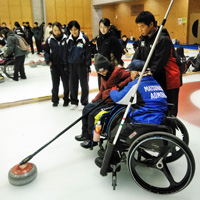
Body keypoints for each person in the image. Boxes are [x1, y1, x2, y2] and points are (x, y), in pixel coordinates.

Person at [95, 61, 168, 168]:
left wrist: (113, 90)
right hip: (158, 117)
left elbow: (119, 98)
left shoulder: (137, 84)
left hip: (146, 120)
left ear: (136, 72)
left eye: (131, 72)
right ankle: (109, 152)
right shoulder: (154, 82)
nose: (130, 74)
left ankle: (113, 158)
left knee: (120, 132)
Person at [75, 53, 132, 149]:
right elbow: (101, 90)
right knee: (86, 109)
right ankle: (85, 134)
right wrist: (94, 100)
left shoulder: (118, 71)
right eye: (99, 72)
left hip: (113, 102)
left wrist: (119, 86)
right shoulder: (103, 76)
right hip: (104, 99)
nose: (102, 73)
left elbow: (131, 75)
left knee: (93, 114)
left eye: (102, 71)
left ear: (107, 66)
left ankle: (91, 139)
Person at [132, 11, 181, 117]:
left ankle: (169, 132)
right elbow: (137, 56)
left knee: (168, 112)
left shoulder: (162, 39)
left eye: (142, 26)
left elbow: (158, 63)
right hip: (155, 79)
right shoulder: (143, 39)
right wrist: (132, 68)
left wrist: (148, 72)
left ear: (151, 24)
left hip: (168, 80)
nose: (140, 30)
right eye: (138, 27)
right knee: (157, 110)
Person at [66, 20, 91, 110]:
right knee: (73, 85)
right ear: (69, 30)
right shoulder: (68, 40)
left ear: (78, 29)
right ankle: (74, 102)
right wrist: (66, 65)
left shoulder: (84, 38)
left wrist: (87, 65)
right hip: (72, 65)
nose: (74, 31)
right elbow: (66, 53)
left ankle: (84, 102)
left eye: (75, 29)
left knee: (84, 85)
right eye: (72, 30)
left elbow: (88, 53)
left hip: (82, 65)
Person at [44, 22, 70, 107]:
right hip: (54, 65)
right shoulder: (49, 40)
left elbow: (70, 51)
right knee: (55, 84)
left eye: (58, 30)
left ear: (61, 30)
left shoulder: (66, 39)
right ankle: (55, 100)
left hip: (64, 65)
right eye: (55, 30)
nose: (57, 32)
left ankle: (66, 99)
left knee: (66, 84)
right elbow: (46, 52)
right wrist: (48, 60)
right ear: (52, 30)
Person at [96, 18, 124, 89]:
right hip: (101, 66)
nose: (102, 29)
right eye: (101, 27)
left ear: (109, 27)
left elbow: (119, 51)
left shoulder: (113, 38)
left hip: (110, 67)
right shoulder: (99, 39)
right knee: (101, 85)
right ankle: (101, 98)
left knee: (110, 85)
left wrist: (114, 62)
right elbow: (99, 52)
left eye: (105, 27)